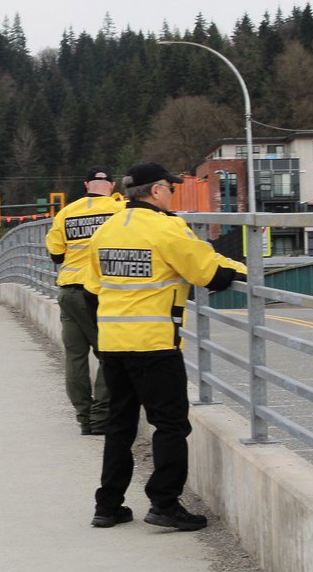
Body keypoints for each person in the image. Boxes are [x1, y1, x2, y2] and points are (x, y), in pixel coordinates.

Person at [84, 162, 246, 531]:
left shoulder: (106, 228)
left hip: (113, 342)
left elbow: (92, 288)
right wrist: (242, 270)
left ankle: (107, 505)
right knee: (170, 425)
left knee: (119, 425)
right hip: (154, 343)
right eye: (170, 188)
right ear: (157, 190)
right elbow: (209, 274)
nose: (172, 194)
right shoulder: (168, 228)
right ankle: (165, 503)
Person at [45, 166, 125, 435]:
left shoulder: (66, 213)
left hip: (68, 291)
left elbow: (56, 255)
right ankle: (100, 417)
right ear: (112, 186)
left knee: (75, 358)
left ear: (86, 185)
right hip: (98, 292)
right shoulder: (119, 210)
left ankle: (84, 418)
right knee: (108, 354)